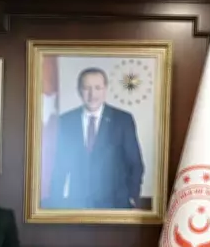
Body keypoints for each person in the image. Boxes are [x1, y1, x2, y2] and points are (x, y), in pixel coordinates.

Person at [43, 67, 145, 209]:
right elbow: (60, 166)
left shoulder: (122, 120)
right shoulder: (66, 121)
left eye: (97, 88)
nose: (92, 94)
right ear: (79, 91)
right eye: (87, 88)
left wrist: (132, 196)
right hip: (78, 206)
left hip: (116, 205)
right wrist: (55, 202)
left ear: (105, 89)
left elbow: (135, 163)